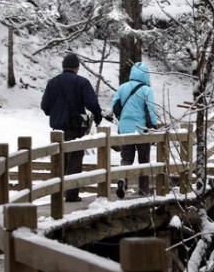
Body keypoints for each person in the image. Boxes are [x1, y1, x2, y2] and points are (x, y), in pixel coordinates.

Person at [41, 52, 103, 202]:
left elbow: (45, 107)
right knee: (75, 159)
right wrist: (98, 115)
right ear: (77, 67)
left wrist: (54, 112)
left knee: (59, 160)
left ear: (63, 67)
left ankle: (57, 193)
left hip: (57, 129)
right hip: (75, 127)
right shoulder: (82, 82)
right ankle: (71, 194)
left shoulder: (52, 82)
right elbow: (91, 103)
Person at [110, 62, 159, 198]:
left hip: (125, 130)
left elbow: (114, 105)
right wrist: (153, 126)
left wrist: (122, 118)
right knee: (143, 159)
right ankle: (143, 191)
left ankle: (122, 178)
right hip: (141, 130)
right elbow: (150, 109)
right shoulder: (146, 90)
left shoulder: (122, 88)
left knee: (126, 158)